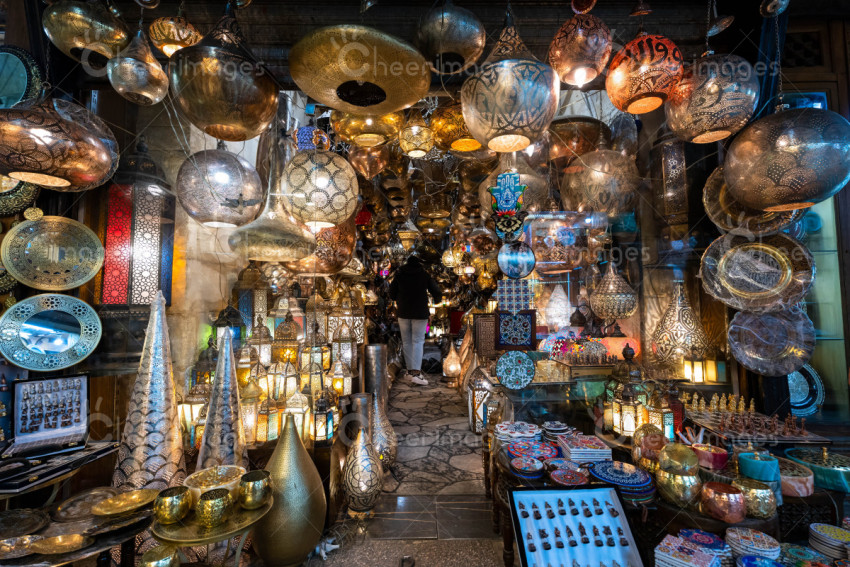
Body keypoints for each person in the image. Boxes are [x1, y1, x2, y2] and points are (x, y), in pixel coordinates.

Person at [388, 256, 442, 385]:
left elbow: (391, 293)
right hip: (420, 312)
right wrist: (437, 300)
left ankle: (410, 371)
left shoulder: (400, 274)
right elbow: (436, 290)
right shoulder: (424, 274)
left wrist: (398, 298)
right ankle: (416, 373)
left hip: (403, 312)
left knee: (406, 342)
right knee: (417, 341)